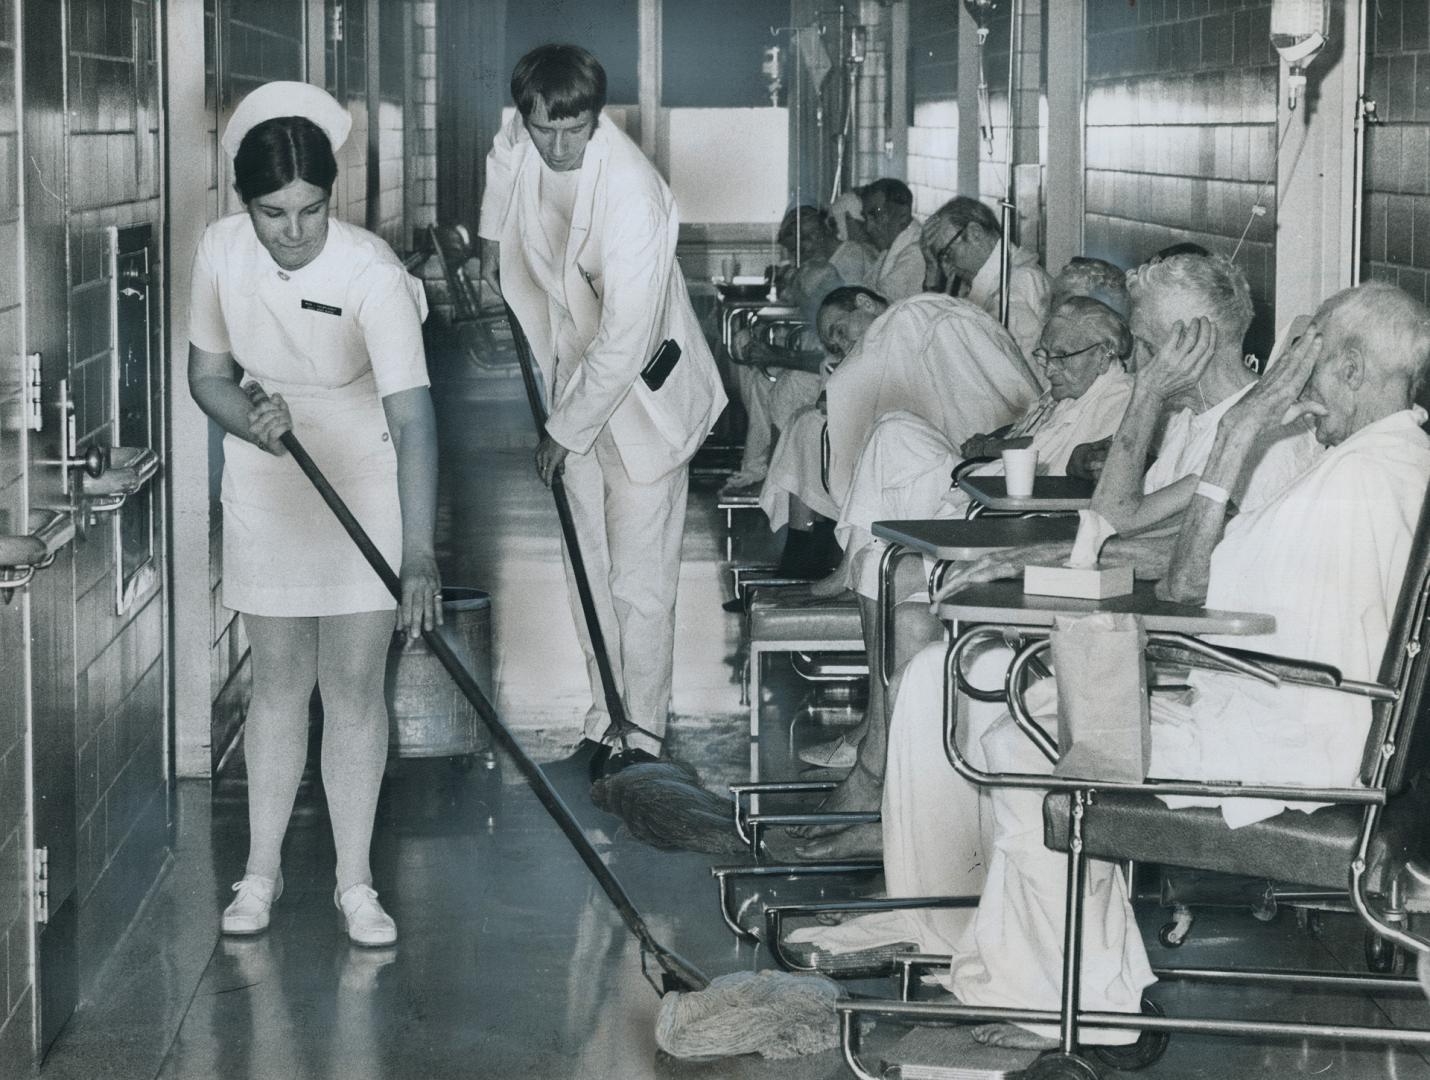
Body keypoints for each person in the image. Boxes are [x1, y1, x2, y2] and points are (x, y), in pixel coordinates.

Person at [795, 281, 1430, 1050]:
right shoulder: (1383, 462)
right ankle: (1068, 984)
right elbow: (1193, 556)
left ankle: (1068, 1005)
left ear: (1356, 370)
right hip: (1291, 711)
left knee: (1029, 743)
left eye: (1313, 368)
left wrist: (1238, 439)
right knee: (1013, 723)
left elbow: (1194, 582)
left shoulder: (1355, 478)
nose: (1300, 393)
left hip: (1296, 734)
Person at [188, 82, 441, 946]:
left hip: (363, 464)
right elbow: (207, 378)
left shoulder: (370, 271)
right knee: (279, 682)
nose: (292, 231)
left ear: (331, 197)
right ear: (243, 203)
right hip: (268, 466)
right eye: (272, 213)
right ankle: (259, 874)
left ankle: (357, 883)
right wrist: (248, 421)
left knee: (353, 687)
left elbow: (413, 419)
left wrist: (419, 555)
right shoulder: (220, 252)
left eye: (309, 210)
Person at [477, 45, 726, 760]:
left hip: (646, 398)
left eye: (574, 129)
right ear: (525, 115)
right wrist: (492, 242)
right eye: (543, 129)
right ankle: (603, 721)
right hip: (573, 378)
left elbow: (625, 336)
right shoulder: (522, 140)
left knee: (638, 583)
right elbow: (503, 158)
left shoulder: (633, 192)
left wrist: (564, 429)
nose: (557, 147)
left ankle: (641, 737)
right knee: (585, 567)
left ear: (598, 115)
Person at [795, 297, 1134, 779]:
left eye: (1061, 356)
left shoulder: (1117, 400)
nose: (1048, 367)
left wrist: (1073, 461)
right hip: (985, 493)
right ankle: (876, 725)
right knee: (894, 431)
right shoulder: (1066, 394)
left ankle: (876, 735)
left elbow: (1089, 473)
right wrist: (996, 441)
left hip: (1016, 528)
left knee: (881, 559)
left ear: (1104, 354)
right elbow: (1031, 437)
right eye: (1043, 355)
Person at [757, 287, 1040, 563]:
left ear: (865, 303)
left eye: (841, 331)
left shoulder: (913, 316)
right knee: (808, 426)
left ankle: (826, 563)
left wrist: (840, 395)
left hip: (977, 455)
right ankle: (805, 554)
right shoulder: (896, 333)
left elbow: (989, 407)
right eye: (835, 346)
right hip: (948, 439)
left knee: (873, 437)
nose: (844, 347)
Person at [721, 205, 872, 496]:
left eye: (799, 245)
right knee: (753, 371)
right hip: (824, 345)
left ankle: (770, 473)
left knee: (777, 383)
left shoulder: (849, 259)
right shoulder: (823, 262)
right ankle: (758, 464)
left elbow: (834, 322)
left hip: (842, 357)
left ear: (815, 235)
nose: (798, 253)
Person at [922, 196, 1052, 363]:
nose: (946, 266)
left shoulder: (1016, 285)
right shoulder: (982, 282)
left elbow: (985, 360)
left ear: (975, 234)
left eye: (947, 253)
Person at [861, 179, 925, 303]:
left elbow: (882, 306)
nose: (868, 228)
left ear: (903, 215)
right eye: (866, 217)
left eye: (876, 214)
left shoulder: (916, 253)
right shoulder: (891, 248)